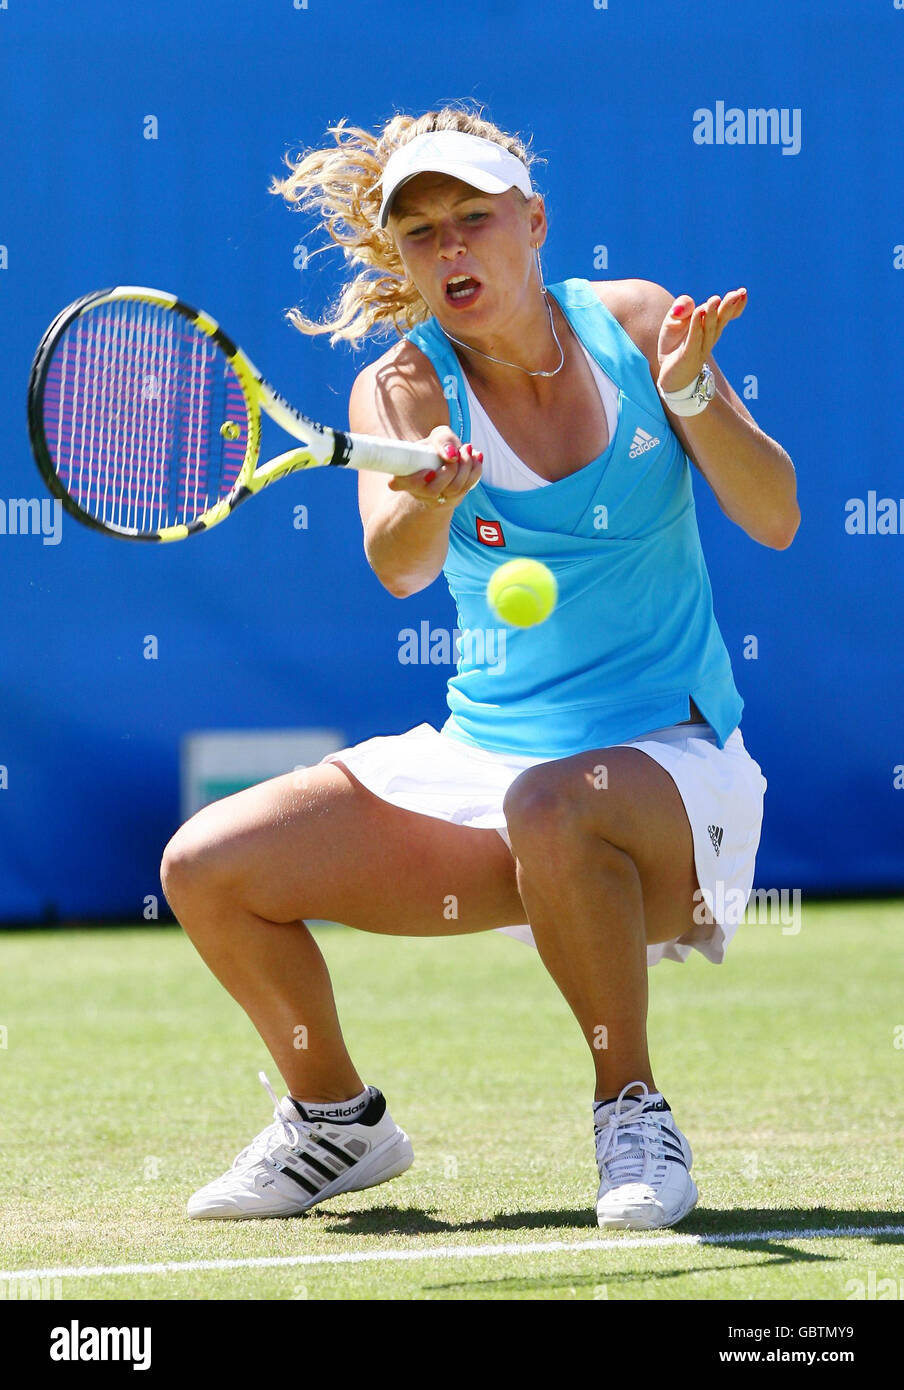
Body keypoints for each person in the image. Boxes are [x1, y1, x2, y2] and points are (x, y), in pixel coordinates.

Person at [161, 106, 799, 1231]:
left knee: (554, 799)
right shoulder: (401, 392)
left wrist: (692, 392)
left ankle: (631, 1108)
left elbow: (777, 515)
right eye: (420, 234)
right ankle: (335, 1118)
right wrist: (424, 501)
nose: (449, 249)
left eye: (473, 218)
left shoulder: (642, 326)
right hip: (489, 777)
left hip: (671, 772)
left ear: (534, 221)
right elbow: (396, 568)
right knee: (206, 864)